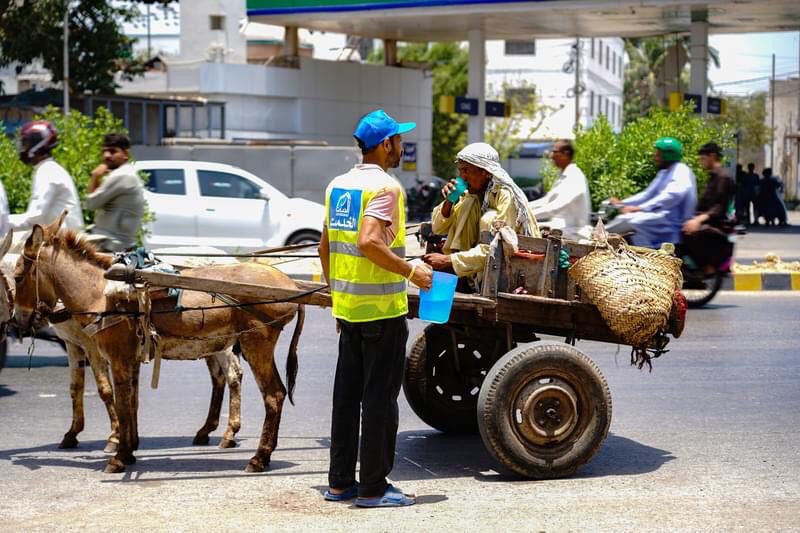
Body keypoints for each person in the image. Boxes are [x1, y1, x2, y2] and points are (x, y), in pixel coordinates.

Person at [319, 109, 433, 508]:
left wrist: (337, 298)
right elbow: (369, 241)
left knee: (346, 399)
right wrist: (411, 271)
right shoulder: (386, 188)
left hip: (349, 310)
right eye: (398, 140)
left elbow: (326, 245)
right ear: (385, 145)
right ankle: (372, 488)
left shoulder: (339, 186)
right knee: (380, 400)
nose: (401, 146)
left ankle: (339, 483)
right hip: (382, 311)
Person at [423, 142, 541, 281]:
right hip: (477, 269)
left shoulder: (505, 195)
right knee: (468, 203)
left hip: (508, 271)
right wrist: (449, 201)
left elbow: (497, 247)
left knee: (489, 218)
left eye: (466, 170)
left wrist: (449, 260)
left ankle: (463, 272)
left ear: (485, 172)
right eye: (460, 170)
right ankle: (465, 276)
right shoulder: (471, 194)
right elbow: (438, 228)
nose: (462, 177)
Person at [605, 137, 697, 249]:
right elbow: (647, 195)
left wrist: (640, 208)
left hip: (671, 225)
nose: (655, 157)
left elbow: (671, 196)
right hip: (659, 219)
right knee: (624, 219)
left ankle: (646, 255)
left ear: (668, 155)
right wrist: (621, 203)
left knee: (630, 221)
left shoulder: (681, 171)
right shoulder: (664, 172)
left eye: (658, 154)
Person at [9, 120, 83, 236]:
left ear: (37, 145)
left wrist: (3, 222)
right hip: (57, 238)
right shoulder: (48, 168)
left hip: (62, 244)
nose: (22, 148)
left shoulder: (47, 172)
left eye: (25, 143)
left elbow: (34, 218)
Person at [84, 133, 145, 252]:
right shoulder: (127, 173)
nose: (106, 155)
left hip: (110, 244)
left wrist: (95, 176)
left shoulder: (121, 175)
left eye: (112, 151)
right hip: (113, 241)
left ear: (125, 154)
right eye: (104, 151)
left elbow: (90, 204)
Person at [679, 142, 735, 270]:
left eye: (703, 158)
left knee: (685, 234)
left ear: (712, 156)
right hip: (704, 220)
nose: (700, 162)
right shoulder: (713, 177)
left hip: (714, 225)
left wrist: (698, 220)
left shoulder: (723, 178)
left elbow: (719, 207)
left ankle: (700, 270)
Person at [528, 139, 591, 240]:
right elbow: (546, 201)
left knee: (529, 230)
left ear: (565, 154)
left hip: (574, 233)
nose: (552, 156)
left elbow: (555, 207)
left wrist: (527, 214)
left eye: (555, 152)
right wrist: (523, 207)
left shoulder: (575, 176)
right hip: (561, 228)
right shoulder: (563, 175)